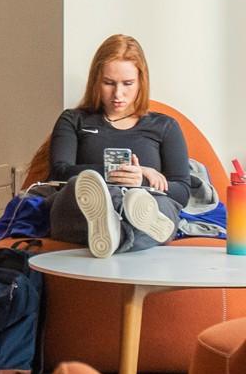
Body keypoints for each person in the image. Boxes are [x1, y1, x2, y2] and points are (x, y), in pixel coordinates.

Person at [35, 34, 189, 258]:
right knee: (80, 185)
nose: (118, 94)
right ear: (96, 81)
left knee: (153, 205)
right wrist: (118, 173)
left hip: (144, 199)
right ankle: (124, 224)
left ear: (141, 81)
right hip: (82, 207)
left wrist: (141, 180)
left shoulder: (165, 126)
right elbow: (60, 172)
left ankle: (115, 229)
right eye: (109, 83)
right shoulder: (74, 120)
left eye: (127, 84)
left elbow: (182, 192)